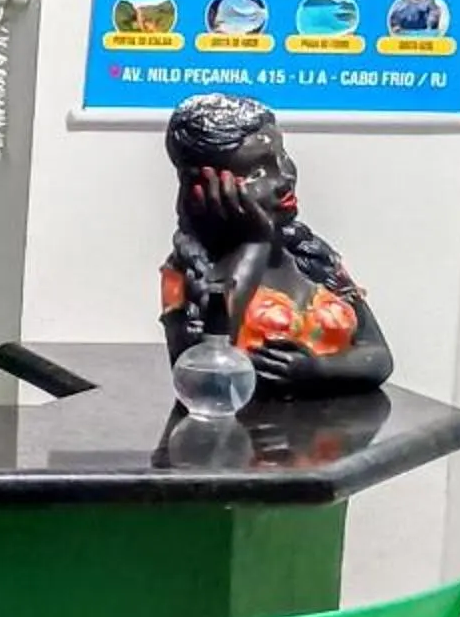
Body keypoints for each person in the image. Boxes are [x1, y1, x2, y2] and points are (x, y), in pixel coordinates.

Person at [159, 91, 392, 395]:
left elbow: (380, 358)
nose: (284, 178)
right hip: (247, 438)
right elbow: (206, 383)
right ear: (208, 188)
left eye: (282, 158)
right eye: (258, 171)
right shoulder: (189, 271)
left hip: (342, 435)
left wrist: (318, 370)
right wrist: (254, 245)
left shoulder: (310, 255)